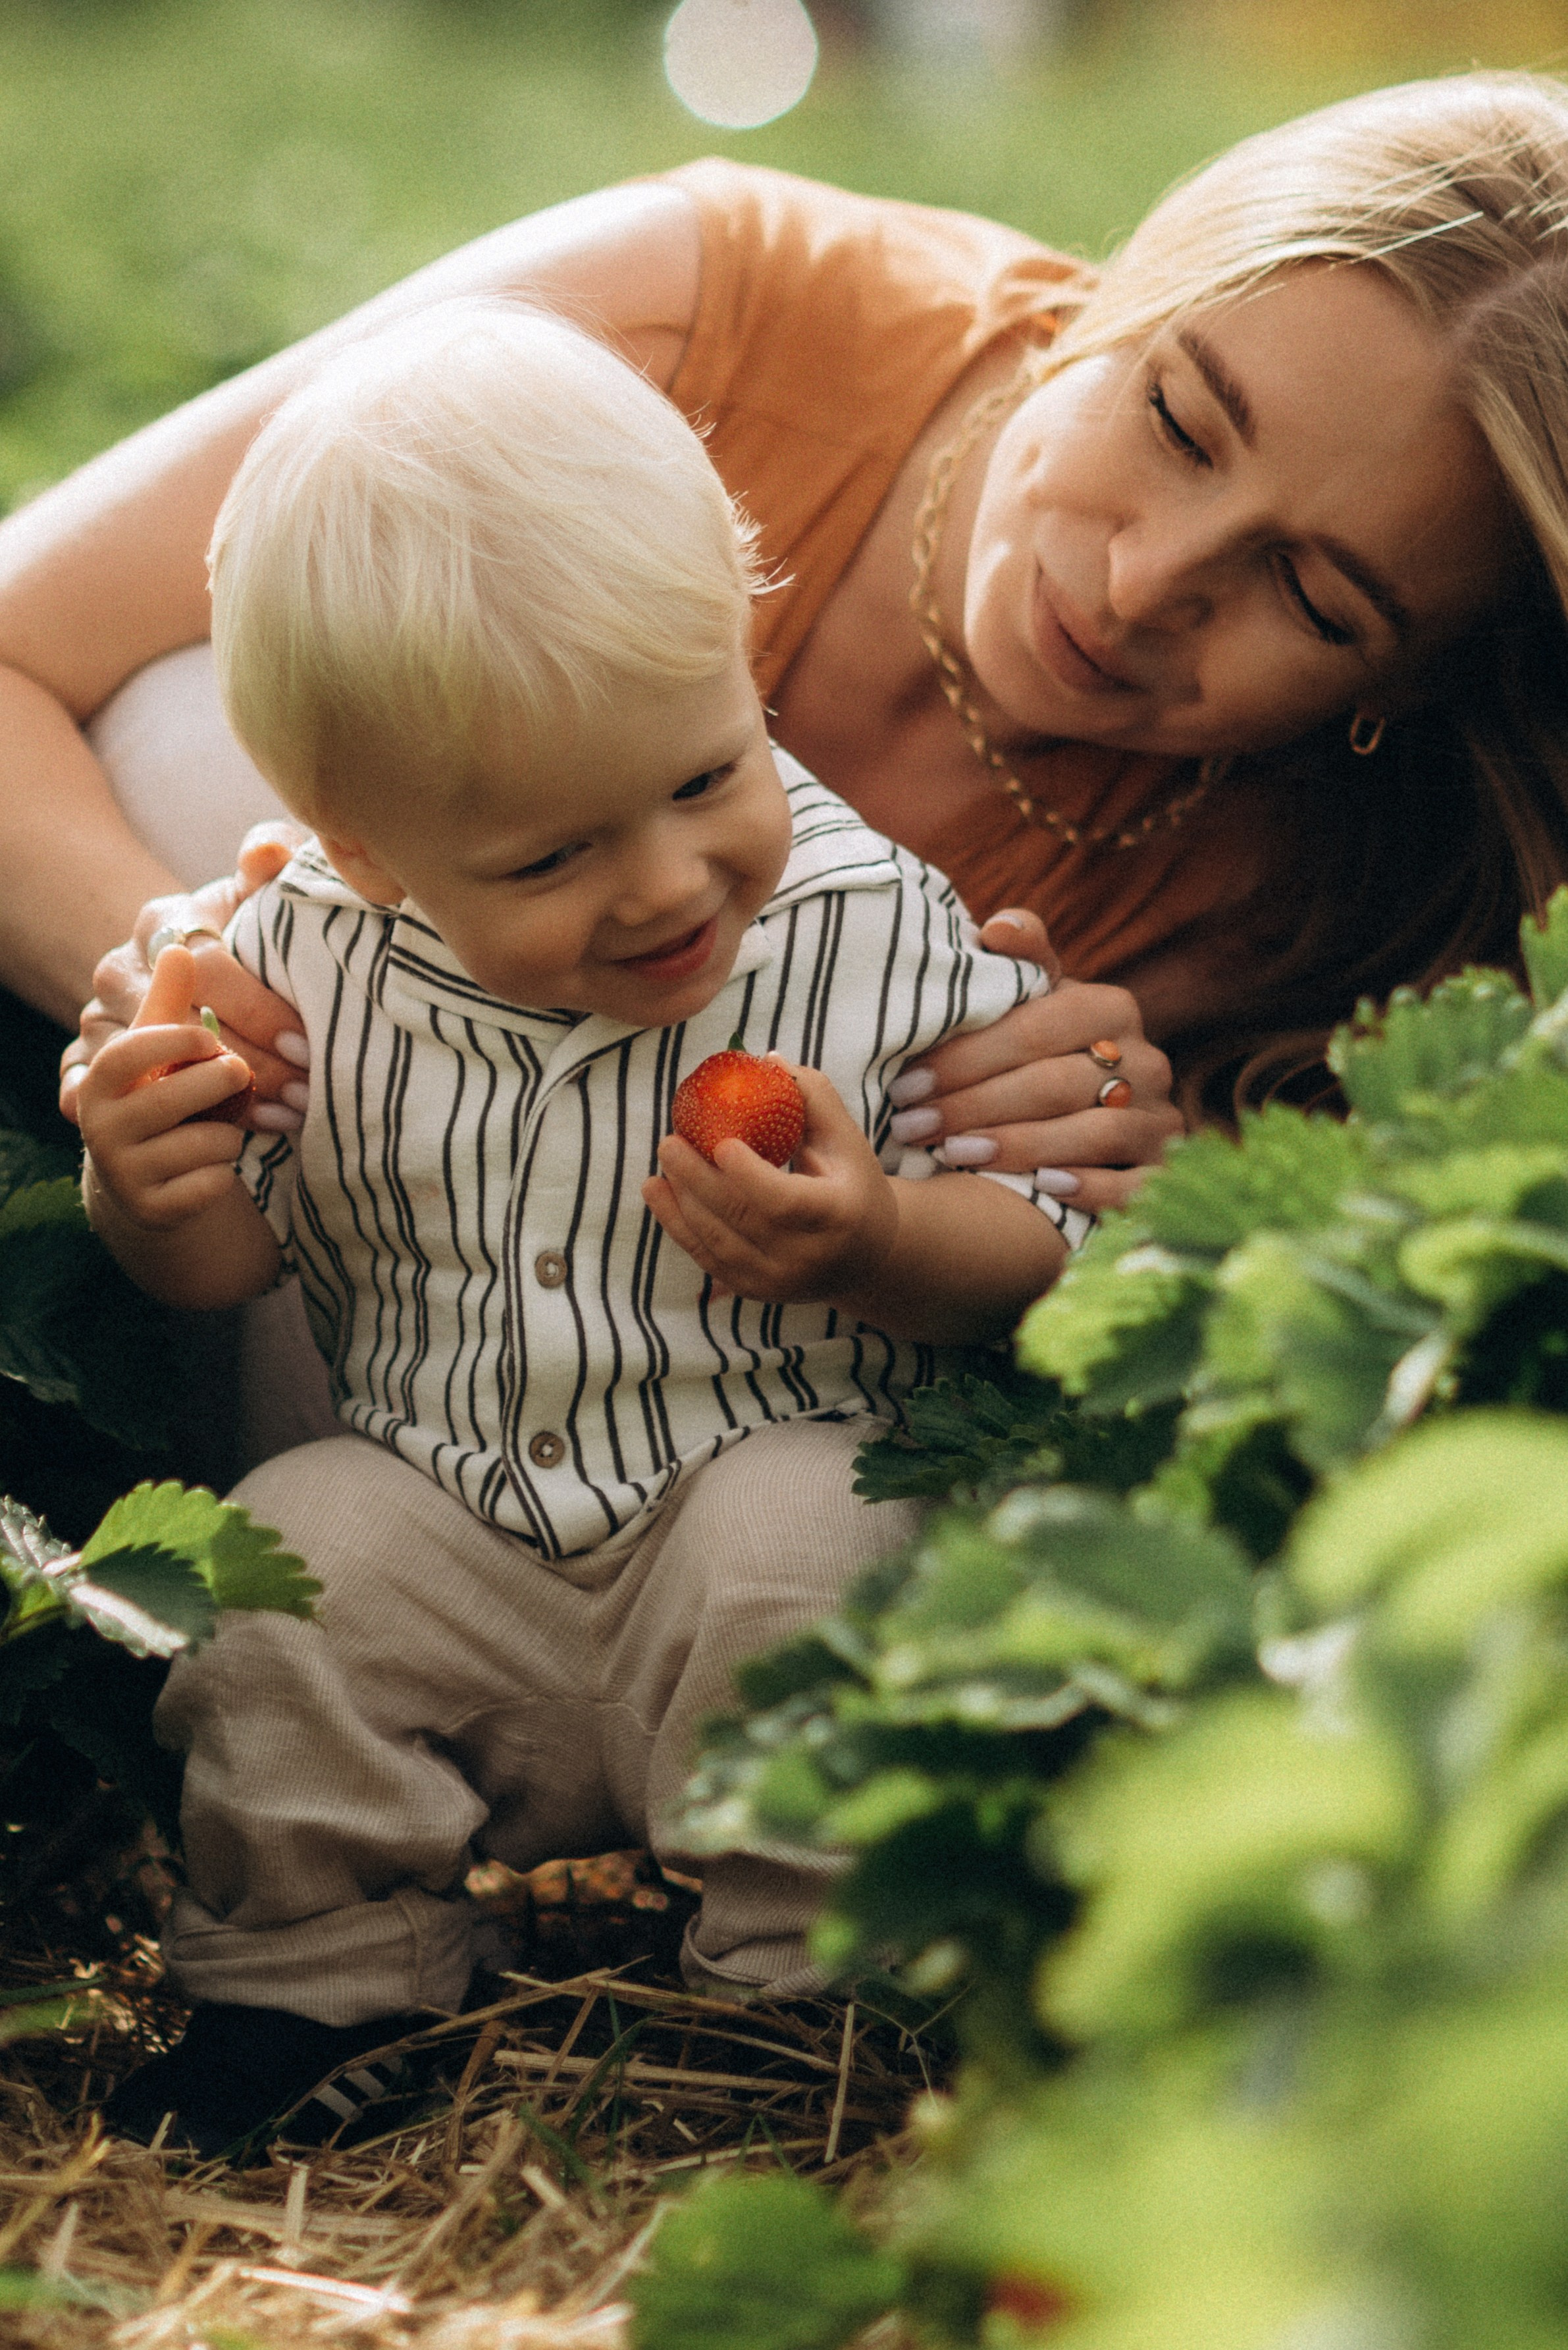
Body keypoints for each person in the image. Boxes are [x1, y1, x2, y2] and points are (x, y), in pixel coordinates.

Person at [75, 302, 1091, 2156]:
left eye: (708, 774)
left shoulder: (871, 931)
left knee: (811, 1525)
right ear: (366, 848)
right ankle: (312, 1991)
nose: (664, 881)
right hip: (470, 1537)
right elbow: (231, 1276)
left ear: (743, 656)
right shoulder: (305, 964)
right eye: (547, 859)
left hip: (747, 1562)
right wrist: (158, 1194)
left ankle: (815, 1998)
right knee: (287, 1551)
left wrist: (877, 1237)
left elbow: (1037, 1245)